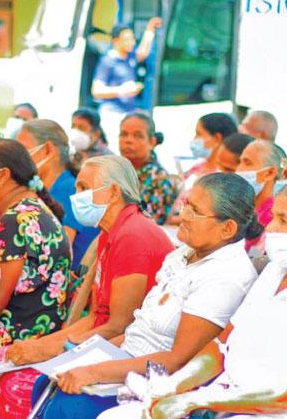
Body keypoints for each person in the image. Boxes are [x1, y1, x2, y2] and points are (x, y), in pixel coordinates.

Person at [100, 180, 287, 419]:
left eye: (284, 220)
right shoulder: (275, 272)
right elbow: (223, 344)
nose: (271, 226)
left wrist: (194, 400)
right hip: (225, 400)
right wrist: (175, 385)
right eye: (274, 216)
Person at [36, 173, 260, 419]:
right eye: (186, 204)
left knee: (70, 407)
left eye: (195, 210)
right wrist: (83, 359)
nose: (182, 215)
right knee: (48, 382)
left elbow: (177, 361)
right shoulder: (185, 254)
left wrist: (93, 372)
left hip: (157, 383)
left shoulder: (226, 276)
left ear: (227, 228)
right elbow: (139, 330)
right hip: (127, 359)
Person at [0, 155, 173, 419]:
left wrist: (51, 350)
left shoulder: (133, 236)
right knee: (4, 357)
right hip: (103, 342)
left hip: (128, 352)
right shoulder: (111, 233)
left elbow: (119, 325)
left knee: (18, 383)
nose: (76, 197)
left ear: (113, 192)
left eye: (83, 188)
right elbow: (96, 316)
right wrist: (45, 345)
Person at [0, 138, 72, 418]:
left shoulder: (15, 220)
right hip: (32, 336)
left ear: (3, 175)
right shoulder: (37, 212)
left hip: (2, 348)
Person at [17, 120, 100, 268]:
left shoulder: (70, 189)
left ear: (48, 149)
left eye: (22, 150)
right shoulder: (39, 189)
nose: (16, 157)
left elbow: (60, 253)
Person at [92, 19, 162, 151]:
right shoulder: (107, 61)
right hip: (112, 113)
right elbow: (97, 90)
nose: (132, 43)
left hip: (127, 112)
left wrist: (150, 29)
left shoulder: (129, 58)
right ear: (116, 41)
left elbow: (143, 51)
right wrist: (122, 90)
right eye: (127, 39)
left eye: (133, 39)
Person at [169, 113, 238, 223]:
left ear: (217, 138)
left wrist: (178, 219)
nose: (194, 139)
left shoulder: (224, 176)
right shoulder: (196, 168)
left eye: (198, 134)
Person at [119, 111, 177, 226]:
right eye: (124, 134)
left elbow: (149, 225)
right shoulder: (116, 171)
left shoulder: (160, 180)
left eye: (137, 136)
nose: (128, 140)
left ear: (152, 142)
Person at [235, 139, 285, 252]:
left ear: (270, 173)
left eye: (247, 162)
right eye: (240, 162)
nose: (238, 169)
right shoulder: (244, 208)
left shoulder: (274, 214)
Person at [70, 107, 112, 172]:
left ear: (96, 134)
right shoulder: (73, 153)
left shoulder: (106, 159)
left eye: (81, 128)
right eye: (73, 126)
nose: (76, 132)